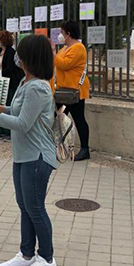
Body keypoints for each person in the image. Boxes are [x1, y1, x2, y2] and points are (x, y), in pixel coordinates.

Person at [0, 34, 59, 266]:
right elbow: (16, 111)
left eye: (20, 52)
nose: (16, 56)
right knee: (25, 206)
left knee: (35, 208)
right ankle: (27, 253)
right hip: (23, 156)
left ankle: (48, 259)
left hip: (37, 157)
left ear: (29, 57)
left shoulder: (39, 87)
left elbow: (22, 123)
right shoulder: (25, 82)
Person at [53, 21, 91, 161]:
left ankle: (85, 149)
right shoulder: (64, 49)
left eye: (62, 33)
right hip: (62, 91)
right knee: (57, 118)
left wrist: (53, 54)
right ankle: (58, 146)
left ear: (68, 34)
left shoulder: (78, 48)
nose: (60, 36)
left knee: (79, 119)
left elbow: (64, 64)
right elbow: (57, 64)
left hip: (75, 91)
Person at [0, 30, 24, 141]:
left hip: (7, 82)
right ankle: (1, 130)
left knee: (6, 104)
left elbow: (10, 68)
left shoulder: (10, 52)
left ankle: (9, 131)